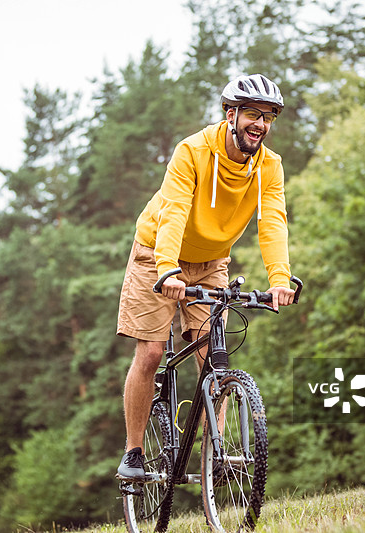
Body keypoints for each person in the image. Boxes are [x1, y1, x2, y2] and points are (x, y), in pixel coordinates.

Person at [115, 74, 296, 480]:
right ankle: (134, 452)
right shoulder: (192, 151)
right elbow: (174, 211)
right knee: (151, 354)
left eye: (268, 117)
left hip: (212, 261)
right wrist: (166, 269)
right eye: (252, 114)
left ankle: (210, 454)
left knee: (211, 357)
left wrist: (279, 280)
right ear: (230, 114)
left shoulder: (269, 166)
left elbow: (273, 224)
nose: (260, 124)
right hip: (157, 254)